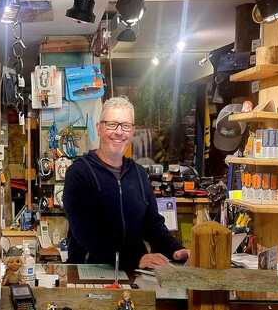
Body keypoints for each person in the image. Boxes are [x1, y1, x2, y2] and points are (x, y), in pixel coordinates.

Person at [63, 96, 189, 270]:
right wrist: (134, 259)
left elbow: (153, 225)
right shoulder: (79, 173)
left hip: (133, 273)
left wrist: (175, 249)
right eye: (112, 124)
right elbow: (86, 234)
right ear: (99, 128)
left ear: (132, 131)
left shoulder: (139, 174)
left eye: (125, 126)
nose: (119, 132)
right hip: (92, 271)